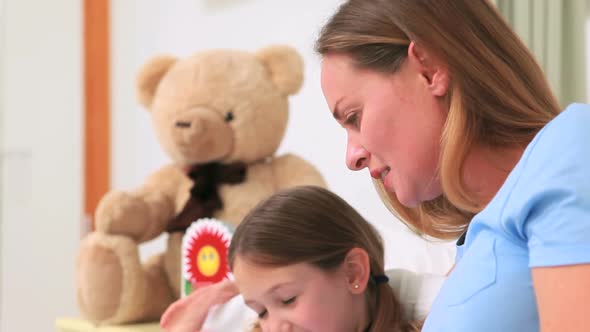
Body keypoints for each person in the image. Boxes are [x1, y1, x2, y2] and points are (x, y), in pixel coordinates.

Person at [316, 0, 590, 331]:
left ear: (428, 70)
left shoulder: (566, 148)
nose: (352, 157)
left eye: (354, 117)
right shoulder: (475, 245)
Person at [162, 185, 444, 331]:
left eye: (287, 300)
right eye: (261, 311)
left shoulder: (436, 310)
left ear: (353, 273)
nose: (274, 327)